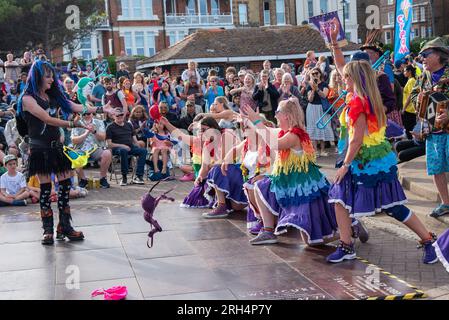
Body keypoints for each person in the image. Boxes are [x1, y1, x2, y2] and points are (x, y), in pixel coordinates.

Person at [326, 60, 438, 264]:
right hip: (364, 161)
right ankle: (346, 244)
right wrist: (334, 42)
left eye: (347, 77)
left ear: (356, 79)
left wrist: (345, 165)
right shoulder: (364, 96)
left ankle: (429, 240)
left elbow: (356, 139)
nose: (343, 79)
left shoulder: (359, 101)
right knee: (339, 198)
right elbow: (342, 66)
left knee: (393, 207)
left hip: (367, 164)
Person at [17, 59, 106, 245]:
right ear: (38, 77)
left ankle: (64, 227)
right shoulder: (27, 99)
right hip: (39, 149)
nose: (51, 80)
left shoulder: (53, 95)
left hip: (57, 148)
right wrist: (73, 123)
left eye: (52, 76)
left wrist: (101, 109)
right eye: (47, 76)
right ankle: (47, 230)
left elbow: (74, 107)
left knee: (66, 185)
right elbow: (47, 119)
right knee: (46, 190)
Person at [241, 98, 337, 245]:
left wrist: (256, 120)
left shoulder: (294, 135)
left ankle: (349, 228)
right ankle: (268, 231)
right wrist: (250, 121)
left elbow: (274, 143)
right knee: (261, 186)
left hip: (302, 186)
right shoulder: (284, 132)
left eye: (277, 112)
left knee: (312, 241)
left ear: (286, 115)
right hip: (288, 181)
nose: (275, 115)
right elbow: (267, 132)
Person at [410, 37, 449, 218]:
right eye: (421, 55)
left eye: (425, 54)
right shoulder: (422, 77)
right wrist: (417, 101)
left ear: (439, 55)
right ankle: (445, 203)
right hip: (432, 132)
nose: (422, 58)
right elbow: (413, 95)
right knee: (436, 168)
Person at [106, 107, 147, 186]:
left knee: (143, 151)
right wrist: (122, 146)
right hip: (117, 149)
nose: (120, 116)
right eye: (117, 115)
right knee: (123, 150)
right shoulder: (110, 127)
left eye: (121, 114)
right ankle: (124, 177)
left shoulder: (128, 125)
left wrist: (138, 145)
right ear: (113, 116)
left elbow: (134, 139)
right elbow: (109, 144)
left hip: (130, 147)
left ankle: (138, 176)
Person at [71, 112, 112, 189]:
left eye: (88, 113)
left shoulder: (99, 122)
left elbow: (103, 137)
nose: (86, 115)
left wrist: (94, 131)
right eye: (84, 113)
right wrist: (86, 133)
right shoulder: (77, 123)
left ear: (92, 113)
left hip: (96, 148)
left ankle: (102, 178)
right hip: (81, 149)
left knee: (107, 153)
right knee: (74, 155)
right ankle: (83, 179)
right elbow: (74, 140)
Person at [305, 68, 334, 157]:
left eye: (316, 73)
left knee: (322, 128)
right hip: (312, 108)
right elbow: (310, 99)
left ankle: (322, 150)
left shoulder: (324, 84)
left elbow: (324, 95)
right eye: (312, 74)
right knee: (313, 128)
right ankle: (315, 151)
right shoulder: (309, 86)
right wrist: (313, 88)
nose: (315, 75)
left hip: (322, 108)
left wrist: (317, 88)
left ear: (320, 74)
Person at [402, 65, 418, 139]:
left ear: (409, 72)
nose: (404, 72)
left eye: (405, 71)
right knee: (409, 128)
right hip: (409, 109)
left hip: (410, 109)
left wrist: (404, 108)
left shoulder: (411, 81)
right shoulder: (410, 80)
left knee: (409, 128)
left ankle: (411, 142)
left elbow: (411, 95)